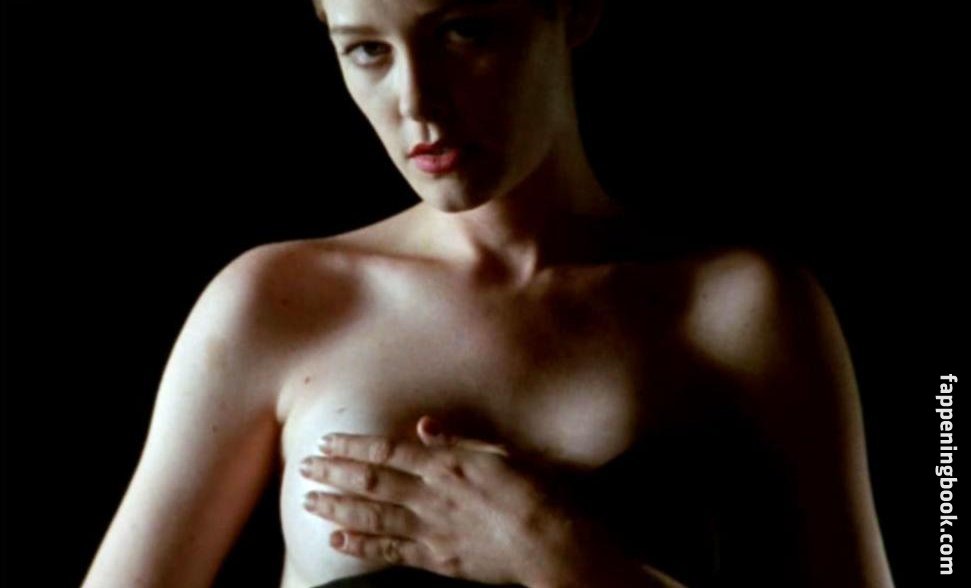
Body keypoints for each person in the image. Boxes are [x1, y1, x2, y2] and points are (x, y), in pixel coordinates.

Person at [82, 0, 895, 586]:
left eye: (462, 31)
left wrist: (563, 558)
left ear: (573, 11)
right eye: (366, 50)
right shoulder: (279, 302)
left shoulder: (740, 310)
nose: (416, 102)